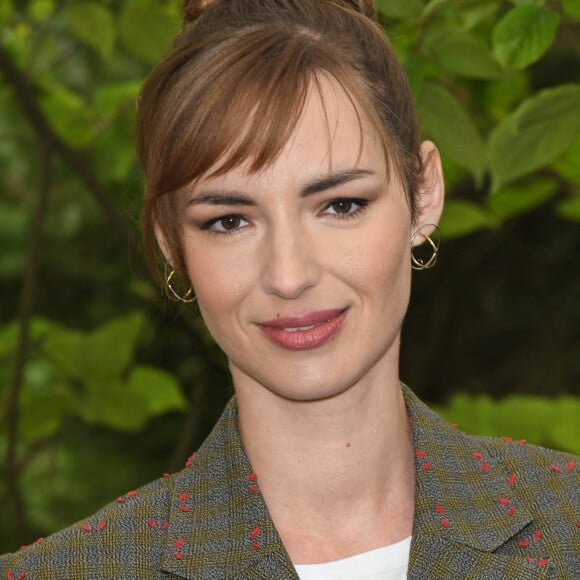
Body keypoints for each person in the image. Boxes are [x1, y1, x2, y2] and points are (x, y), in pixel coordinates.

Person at [1, 0, 578, 578]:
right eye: (229, 221)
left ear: (423, 198)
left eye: (340, 205)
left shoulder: (566, 523)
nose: (288, 275)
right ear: (172, 243)